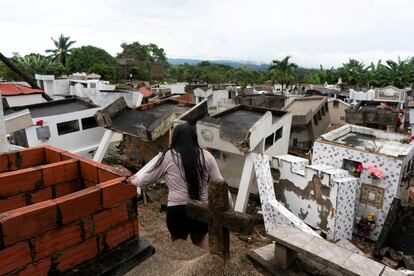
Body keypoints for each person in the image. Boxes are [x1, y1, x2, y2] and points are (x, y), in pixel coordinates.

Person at [127, 123, 232, 250]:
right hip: (201, 209)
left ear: (174, 139)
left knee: (178, 248)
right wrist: (229, 206)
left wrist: (135, 181)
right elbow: (221, 184)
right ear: (194, 137)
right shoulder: (207, 156)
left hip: (177, 211)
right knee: (200, 245)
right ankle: (201, 270)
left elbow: (147, 179)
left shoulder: (169, 156)